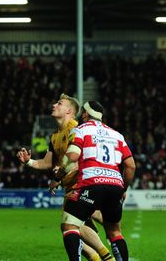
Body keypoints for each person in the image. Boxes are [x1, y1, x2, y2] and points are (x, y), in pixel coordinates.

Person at [17, 94, 114, 261]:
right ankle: (103, 253)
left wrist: (59, 177)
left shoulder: (75, 128)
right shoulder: (55, 136)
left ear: (69, 111)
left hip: (83, 182)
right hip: (71, 186)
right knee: (74, 229)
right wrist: (28, 162)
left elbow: (77, 159)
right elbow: (47, 163)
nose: (54, 105)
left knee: (71, 226)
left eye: (59, 103)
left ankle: (107, 254)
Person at [61, 100, 136, 261]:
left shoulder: (80, 130)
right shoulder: (117, 135)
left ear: (86, 114)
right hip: (115, 185)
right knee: (115, 232)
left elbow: (72, 157)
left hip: (91, 183)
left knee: (70, 225)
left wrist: (59, 173)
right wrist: (123, 189)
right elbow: (131, 166)